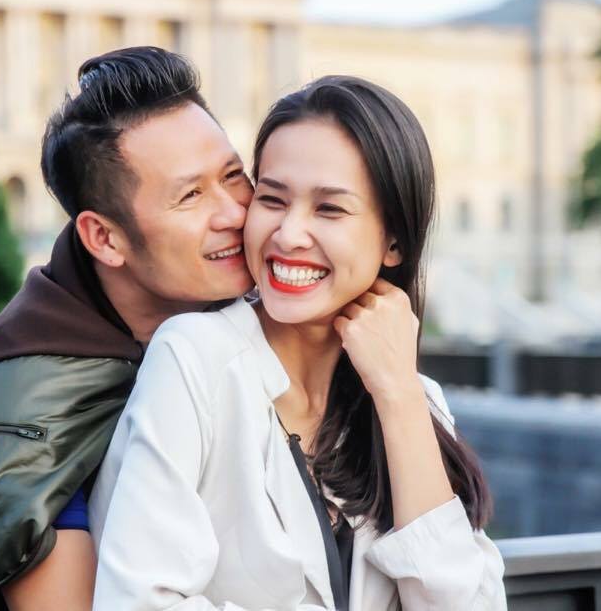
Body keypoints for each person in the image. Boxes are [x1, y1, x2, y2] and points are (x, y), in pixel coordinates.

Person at [90, 75, 508, 609]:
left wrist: (399, 396)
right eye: (271, 199)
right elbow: (137, 601)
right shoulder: (196, 358)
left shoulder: (413, 398)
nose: (288, 234)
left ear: (394, 242)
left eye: (329, 209)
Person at [0, 47, 255, 611]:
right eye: (191, 195)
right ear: (104, 238)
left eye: (233, 176)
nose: (234, 213)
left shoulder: (241, 320)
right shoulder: (28, 411)